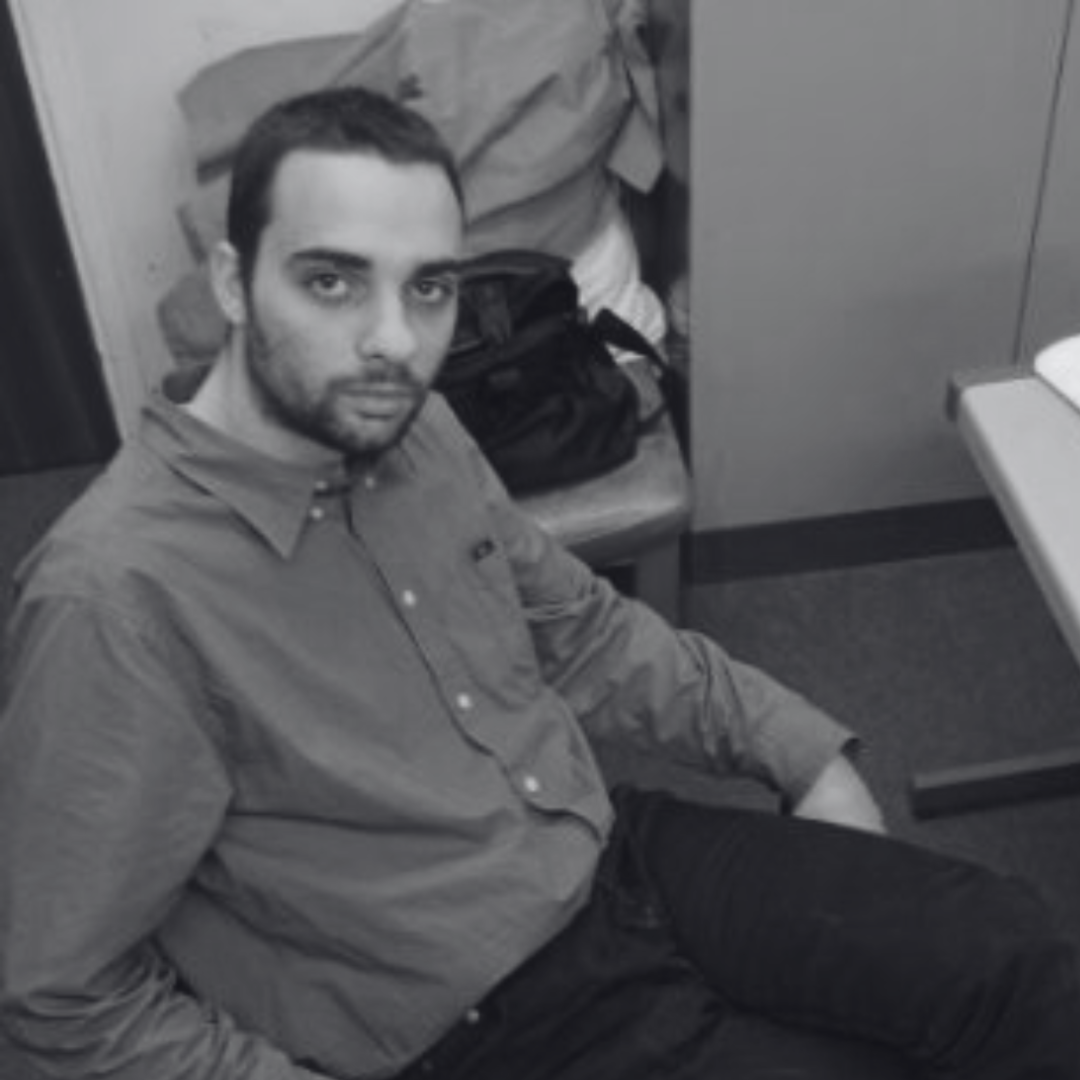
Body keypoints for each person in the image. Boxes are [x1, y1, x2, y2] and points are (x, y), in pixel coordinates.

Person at [0, 86, 1076, 1080]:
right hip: (472, 1018)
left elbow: (584, 630)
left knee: (1013, 955)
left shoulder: (416, 429)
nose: (393, 341)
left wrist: (801, 752)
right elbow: (62, 999)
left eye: (429, 287)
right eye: (331, 280)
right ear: (234, 283)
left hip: (609, 856)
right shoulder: (113, 602)